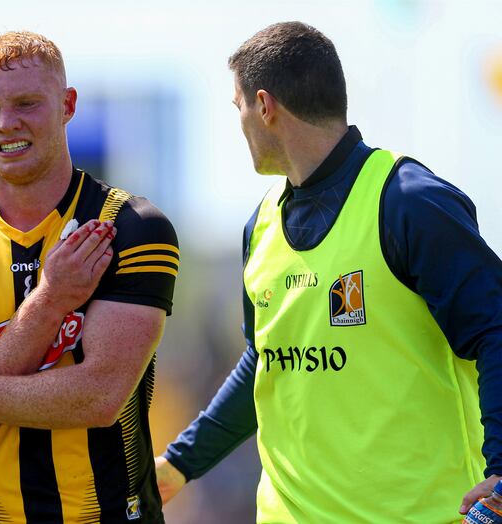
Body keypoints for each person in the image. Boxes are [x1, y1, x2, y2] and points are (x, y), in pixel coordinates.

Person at [155, 21, 502, 523]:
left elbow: (495, 329)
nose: (240, 125)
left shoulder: (408, 203)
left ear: (265, 106)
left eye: (238, 109)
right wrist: (180, 464)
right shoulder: (261, 225)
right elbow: (265, 364)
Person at [0, 31, 179, 523]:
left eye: (26, 103)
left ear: (68, 105)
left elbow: (99, 397)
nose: (6, 124)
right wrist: (50, 300)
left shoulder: (133, 228)